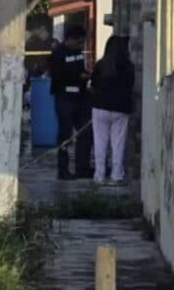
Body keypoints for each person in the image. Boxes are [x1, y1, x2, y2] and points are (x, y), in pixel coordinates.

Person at [50, 25, 93, 180]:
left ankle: (83, 167)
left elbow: (80, 69)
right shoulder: (57, 54)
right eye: (79, 42)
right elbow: (57, 76)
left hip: (80, 97)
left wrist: (86, 75)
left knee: (86, 132)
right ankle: (63, 170)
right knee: (65, 135)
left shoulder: (78, 53)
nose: (81, 46)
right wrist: (77, 77)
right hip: (64, 97)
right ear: (70, 39)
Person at [90, 36, 134, 185]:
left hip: (100, 107)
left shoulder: (100, 65)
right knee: (118, 143)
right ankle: (116, 176)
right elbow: (130, 87)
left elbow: (94, 84)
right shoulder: (128, 66)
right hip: (120, 109)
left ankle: (99, 175)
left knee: (100, 142)